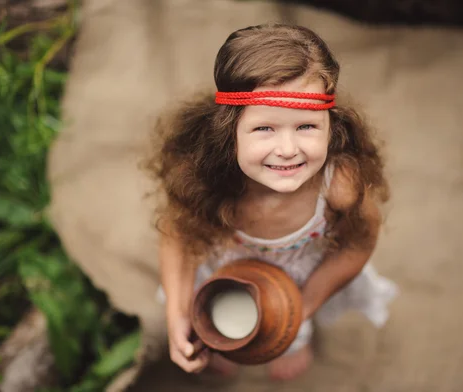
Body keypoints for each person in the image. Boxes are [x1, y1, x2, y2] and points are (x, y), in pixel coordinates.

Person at [145, 23, 398, 381]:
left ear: (331, 124)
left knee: (285, 349)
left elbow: (359, 243)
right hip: (222, 276)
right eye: (265, 128)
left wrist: (301, 309)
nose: (288, 149)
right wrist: (178, 312)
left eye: (306, 127)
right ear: (229, 131)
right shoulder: (205, 178)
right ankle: (220, 340)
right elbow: (177, 235)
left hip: (298, 285)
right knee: (217, 332)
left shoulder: (338, 187)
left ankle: (296, 342)